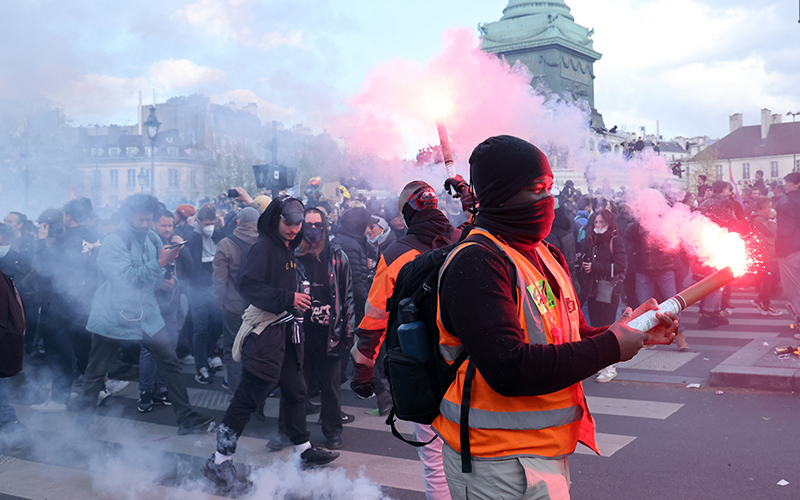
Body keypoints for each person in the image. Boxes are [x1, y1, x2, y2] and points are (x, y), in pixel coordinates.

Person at [433, 135, 678, 500]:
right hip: (495, 462)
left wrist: (629, 331)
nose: (549, 199)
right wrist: (612, 346)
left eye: (549, 187)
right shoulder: (476, 261)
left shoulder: (547, 254)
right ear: (501, 194)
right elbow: (508, 367)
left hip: (547, 452)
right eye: (537, 188)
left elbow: (568, 334)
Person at [202, 197, 338, 492]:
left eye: (298, 224)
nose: (294, 229)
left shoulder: (286, 246)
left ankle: (303, 451)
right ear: (275, 219)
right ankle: (219, 459)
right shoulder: (263, 247)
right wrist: (289, 298)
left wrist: (292, 298)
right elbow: (248, 286)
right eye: (288, 223)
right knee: (249, 396)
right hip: (265, 332)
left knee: (295, 389)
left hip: (285, 331)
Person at [352, 181, 455, 500]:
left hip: (422, 365)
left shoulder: (397, 252)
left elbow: (375, 316)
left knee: (436, 461)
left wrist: (362, 368)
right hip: (468, 365)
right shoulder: (462, 239)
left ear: (407, 213)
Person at [78, 194, 213, 435]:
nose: (145, 224)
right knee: (96, 370)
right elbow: (126, 279)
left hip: (146, 313)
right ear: (129, 216)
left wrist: (163, 281)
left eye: (148, 220)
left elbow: (150, 275)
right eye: (141, 220)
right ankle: (82, 426)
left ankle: (185, 417)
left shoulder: (150, 237)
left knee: (170, 362)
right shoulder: (114, 242)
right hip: (113, 314)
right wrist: (159, 265)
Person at [295, 208, 355, 449]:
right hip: (300, 333)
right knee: (296, 386)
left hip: (330, 333)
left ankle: (332, 431)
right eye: (307, 224)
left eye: (317, 224)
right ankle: (290, 430)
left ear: (325, 226)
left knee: (330, 388)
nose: (312, 229)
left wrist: (348, 331)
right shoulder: (294, 256)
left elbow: (347, 294)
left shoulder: (337, 256)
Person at [136, 209, 191, 413]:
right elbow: (141, 275)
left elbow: (190, 269)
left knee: (170, 348)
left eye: (170, 225)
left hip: (171, 306)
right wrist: (160, 284)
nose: (168, 229)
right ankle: (146, 391)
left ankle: (161, 387)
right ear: (153, 225)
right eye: (164, 225)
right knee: (150, 351)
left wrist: (182, 247)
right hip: (152, 306)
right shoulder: (148, 245)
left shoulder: (174, 242)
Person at [212, 207, 259, 394]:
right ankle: (256, 396)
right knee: (256, 351)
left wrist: (220, 301)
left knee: (233, 352)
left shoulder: (226, 244)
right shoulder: (265, 242)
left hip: (234, 307)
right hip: (259, 307)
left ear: (238, 223)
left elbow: (219, 279)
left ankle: (237, 394)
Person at [580, 209, 628, 382]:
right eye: (596, 222)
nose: (598, 226)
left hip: (609, 291)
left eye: (602, 222)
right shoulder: (592, 241)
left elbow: (620, 267)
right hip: (593, 290)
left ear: (609, 223)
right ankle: (602, 364)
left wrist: (594, 267)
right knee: (596, 328)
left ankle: (610, 366)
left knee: (607, 328)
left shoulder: (616, 241)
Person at [185, 206, 225, 384]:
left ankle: (206, 353)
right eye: (206, 224)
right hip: (197, 287)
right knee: (200, 327)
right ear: (198, 222)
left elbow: (226, 240)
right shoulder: (192, 236)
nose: (210, 227)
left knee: (218, 324)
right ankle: (201, 366)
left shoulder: (217, 233)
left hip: (214, 284)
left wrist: (220, 226)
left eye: (212, 224)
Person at [750, 197, 782, 316]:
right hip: (766, 253)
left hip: (771, 251)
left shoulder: (763, 218)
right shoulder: (758, 219)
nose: (770, 209)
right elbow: (771, 231)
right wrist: (773, 219)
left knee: (772, 278)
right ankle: (765, 304)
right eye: (768, 207)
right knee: (768, 279)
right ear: (762, 207)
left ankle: (759, 300)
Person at [776, 173, 800, 327]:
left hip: (791, 249)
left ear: (797, 184)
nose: (785, 185)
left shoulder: (789, 203)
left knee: (792, 288)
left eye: (788, 182)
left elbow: (785, 230)